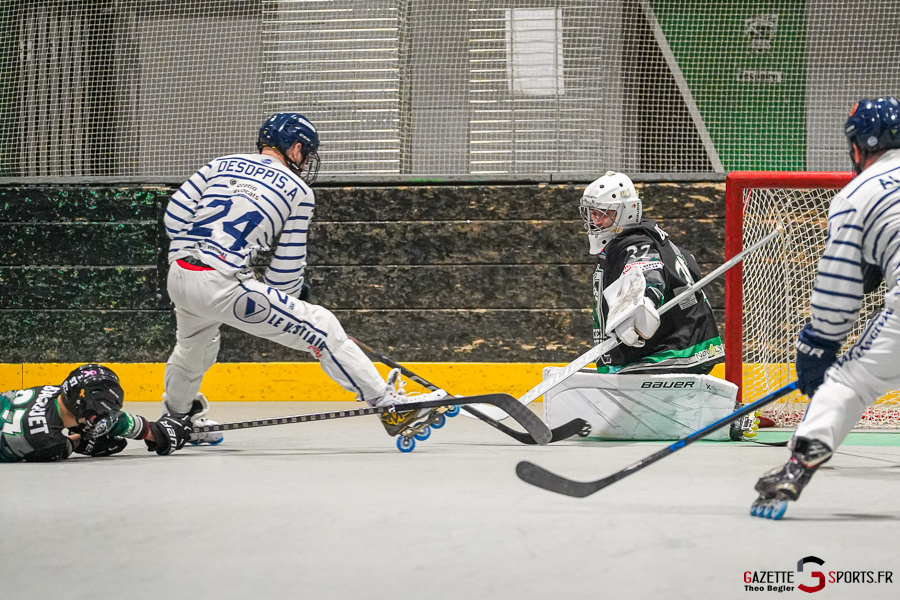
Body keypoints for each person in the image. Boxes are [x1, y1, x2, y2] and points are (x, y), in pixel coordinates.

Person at [162, 113, 446, 441]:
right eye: (306, 153)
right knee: (322, 327)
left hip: (179, 275)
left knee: (194, 348)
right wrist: (290, 294)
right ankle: (390, 406)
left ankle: (176, 420)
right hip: (221, 284)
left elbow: (175, 217)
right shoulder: (298, 190)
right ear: (295, 148)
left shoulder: (220, 163)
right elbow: (286, 269)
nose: (306, 161)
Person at [751, 97, 900, 519]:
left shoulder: (858, 195)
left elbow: (838, 289)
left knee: (850, 380)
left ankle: (796, 468)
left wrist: (819, 344)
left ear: (858, 146)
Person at [544, 172, 744, 441]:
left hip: (671, 350)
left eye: (604, 214)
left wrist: (638, 307)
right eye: (592, 213)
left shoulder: (635, 243)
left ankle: (732, 416)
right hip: (680, 343)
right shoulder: (646, 239)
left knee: (624, 399)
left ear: (627, 212)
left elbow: (647, 275)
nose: (596, 221)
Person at [1, 364, 193, 462]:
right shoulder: (47, 441)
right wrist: (82, 440)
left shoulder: (53, 392)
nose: (105, 418)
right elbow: (65, 446)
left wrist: (150, 430)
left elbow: (83, 413)